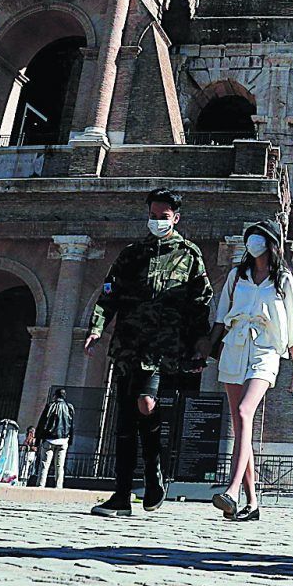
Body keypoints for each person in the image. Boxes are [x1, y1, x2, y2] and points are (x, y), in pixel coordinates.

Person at [86, 188, 213, 517]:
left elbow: (201, 302)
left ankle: (154, 471)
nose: (157, 221)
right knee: (126, 421)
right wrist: (97, 326)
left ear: (176, 218)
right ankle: (122, 496)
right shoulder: (132, 254)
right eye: (153, 216)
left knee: (147, 403)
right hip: (128, 344)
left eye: (163, 217)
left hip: (162, 347)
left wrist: (200, 343)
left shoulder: (189, 254)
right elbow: (109, 291)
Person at [208, 219, 293, 521]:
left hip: (266, 351)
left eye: (258, 237)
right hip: (235, 348)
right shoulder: (237, 276)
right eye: (249, 236)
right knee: (242, 427)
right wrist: (207, 349)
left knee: (243, 413)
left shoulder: (283, 280)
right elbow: (220, 314)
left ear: (270, 242)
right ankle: (252, 503)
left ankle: (232, 490)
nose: (252, 241)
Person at [35, 388, 76, 490]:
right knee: (60, 466)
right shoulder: (69, 407)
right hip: (63, 440)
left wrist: (38, 439)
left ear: (55, 395)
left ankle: (40, 485)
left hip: (49, 439)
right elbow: (72, 425)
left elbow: (42, 423)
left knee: (44, 465)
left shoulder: (50, 406)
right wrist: (70, 440)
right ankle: (58, 486)